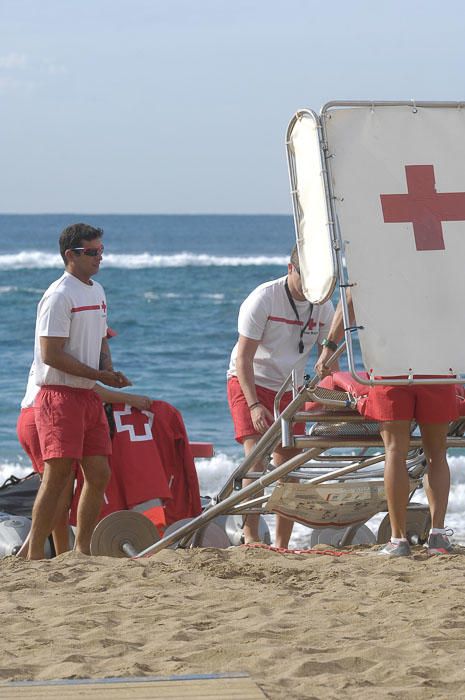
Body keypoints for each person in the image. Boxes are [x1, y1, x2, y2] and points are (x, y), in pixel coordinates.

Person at [315, 288, 458, 557]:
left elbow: (351, 297)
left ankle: (398, 540)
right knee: (437, 454)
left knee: (395, 451)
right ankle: (437, 535)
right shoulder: (441, 251)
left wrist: (329, 347)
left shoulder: (377, 250)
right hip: (437, 361)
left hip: (390, 361)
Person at [26, 223, 132, 560]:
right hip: (59, 396)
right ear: (71, 255)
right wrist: (98, 374)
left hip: (87, 395)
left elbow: (100, 337)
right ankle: (34, 557)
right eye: (92, 252)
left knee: (99, 474)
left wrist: (108, 371)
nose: (99, 257)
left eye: (101, 251)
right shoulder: (59, 295)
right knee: (57, 478)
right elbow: (51, 354)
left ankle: (81, 551)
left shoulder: (97, 290)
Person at [227, 245, 335, 548]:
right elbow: (243, 359)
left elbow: (330, 363)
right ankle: (250, 538)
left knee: (289, 467)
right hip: (250, 380)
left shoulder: (322, 304)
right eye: (306, 278)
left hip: (291, 388)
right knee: (256, 460)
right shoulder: (264, 298)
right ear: (291, 269)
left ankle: (282, 544)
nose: (312, 287)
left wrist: (332, 397)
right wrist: (254, 405)